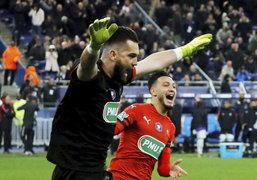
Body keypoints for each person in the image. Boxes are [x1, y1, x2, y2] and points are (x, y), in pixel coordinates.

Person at [47, 17, 212, 180]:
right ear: (113, 55)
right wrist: (93, 47)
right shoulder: (92, 77)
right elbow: (85, 67)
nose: (135, 62)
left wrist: (184, 50)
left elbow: (154, 62)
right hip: (73, 169)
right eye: (131, 56)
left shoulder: (119, 76)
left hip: (95, 167)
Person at [108, 71, 187, 179]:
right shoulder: (136, 110)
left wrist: (169, 170)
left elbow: (162, 169)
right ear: (153, 91)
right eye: (165, 85)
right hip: (119, 177)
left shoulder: (170, 127)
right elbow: (109, 130)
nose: (172, 89)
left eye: (174, 86)